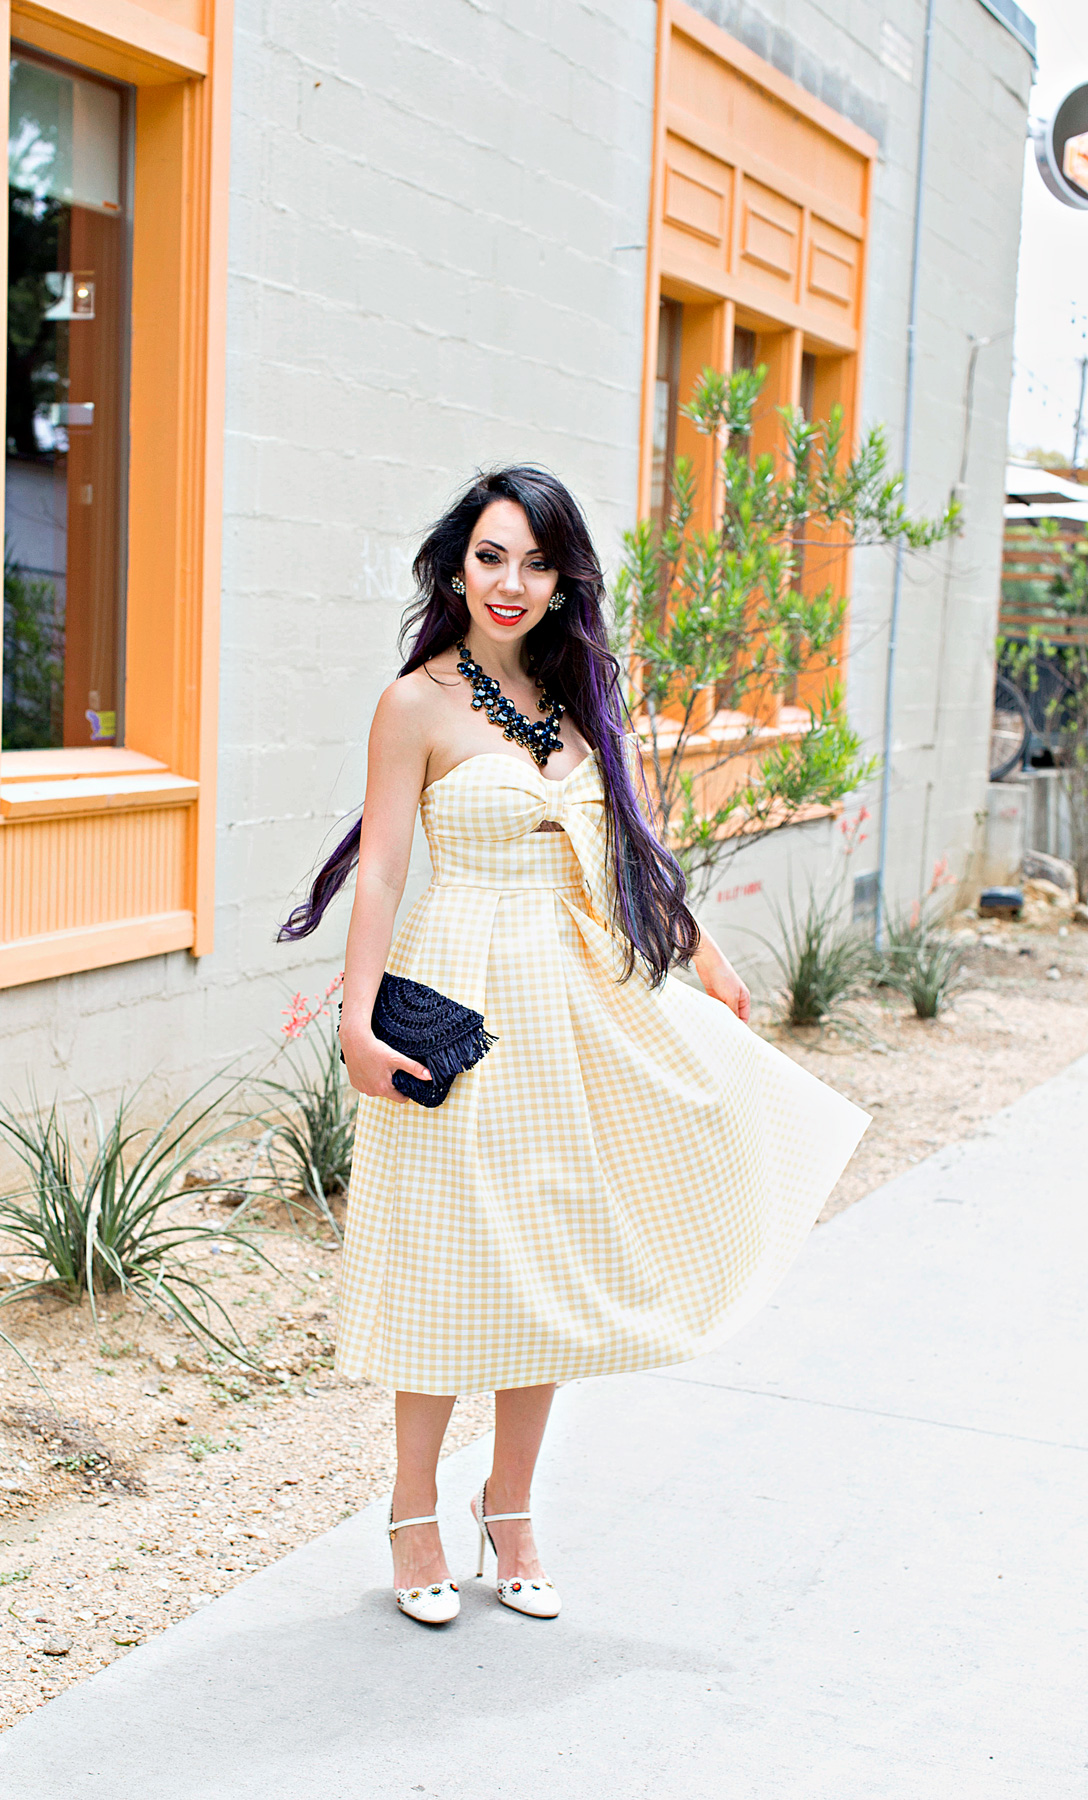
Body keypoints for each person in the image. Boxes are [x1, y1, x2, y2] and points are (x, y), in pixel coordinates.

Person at [281, 466, 868, 1626]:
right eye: (493, 556)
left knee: (547, 1255)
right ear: (459, 564)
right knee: (453, 1251)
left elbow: (623, 846)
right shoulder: (417, 705)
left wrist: (700, 954)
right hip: (464, 997)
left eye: (537, 562)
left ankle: (511, 1506)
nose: (512, 582)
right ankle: (411, 1512)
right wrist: (354, 1016)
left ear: (564, 580)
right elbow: (387, 868)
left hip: (576, 994)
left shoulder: (574, 697)